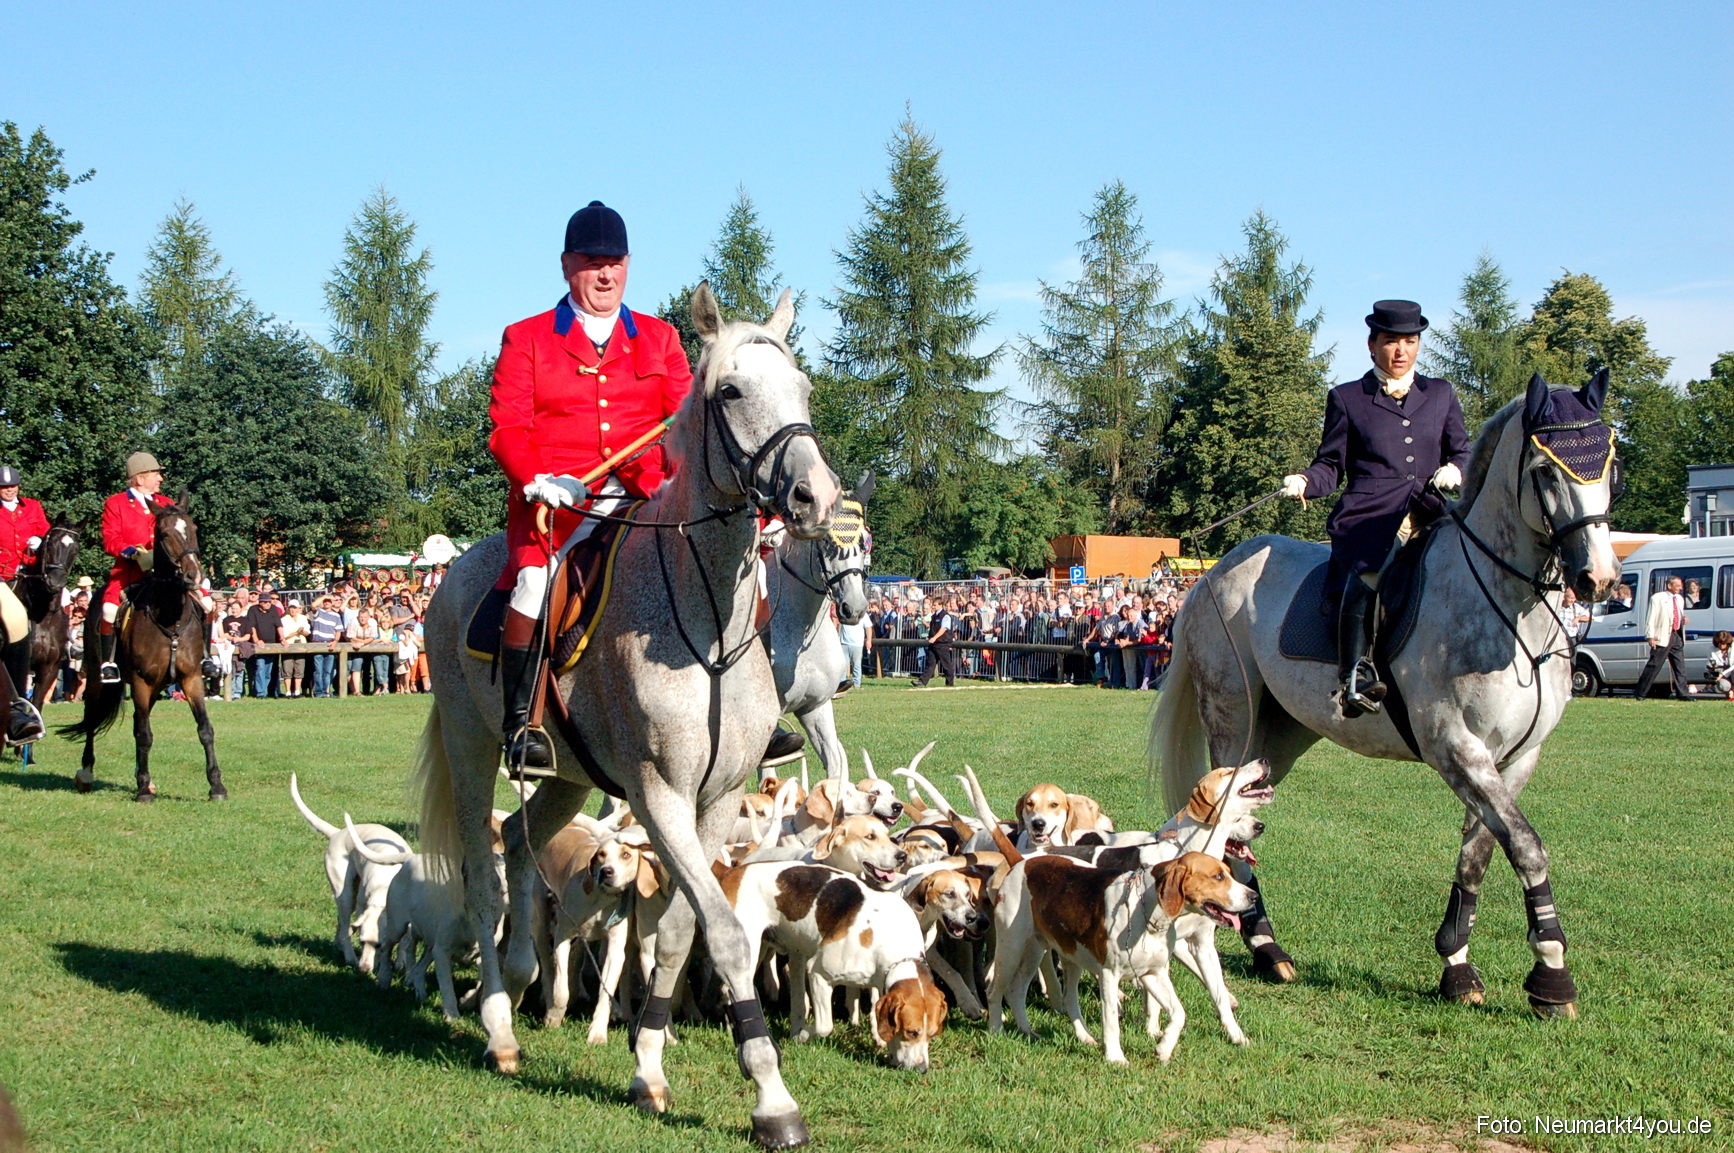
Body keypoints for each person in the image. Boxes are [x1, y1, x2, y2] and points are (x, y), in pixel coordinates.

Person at [488, 201, 692, 769]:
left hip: (643, 495)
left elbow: (685, 422)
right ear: (566, 265)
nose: (605, 274)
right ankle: (522, 727)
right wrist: (538, 480)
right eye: (591, 261)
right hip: (558, 506)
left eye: (615, 262)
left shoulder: (660, 338)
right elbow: (507, 428)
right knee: (533, 583)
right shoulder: (525, 338)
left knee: (716, 558)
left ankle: (755, 707)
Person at [1283, 300, 1470, 717]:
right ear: (1372, 345)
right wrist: (1305, 482)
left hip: (1431, 511)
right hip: (1370, 516)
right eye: (1391, 341)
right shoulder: (1347, 398)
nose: (1401, 350)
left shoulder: (1440, 394)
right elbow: (1331, 466)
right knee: (1371, 568)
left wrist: (1457, 469)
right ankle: (1355, 674)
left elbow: (1464, 450)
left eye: (1410, 341)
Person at [96, 452, 177, 687]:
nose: (160, 479)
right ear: (140, 478)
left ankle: (204, 657)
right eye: (155, 474)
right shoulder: (116, 503)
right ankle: (108, 662)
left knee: (204, 599)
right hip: (131, 571)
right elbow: (110, 538)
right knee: (110, 609)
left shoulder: (166, 503)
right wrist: (128, 550)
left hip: (166, 572)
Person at [0, 464, 49, 743]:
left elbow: (47, 533)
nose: (9, 490)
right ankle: (17, 703)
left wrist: (40, 540)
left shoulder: (32, 507)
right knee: (17, 618)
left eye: (13, 486)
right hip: (2, 578)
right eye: (4, 487)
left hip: (30, 575)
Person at [1633, 576, 1690, 700]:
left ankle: (1683, 694)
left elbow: (1677, 614)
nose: (1680, 588)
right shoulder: (1657, 598)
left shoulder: (1679, 599)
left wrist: (1682, 620)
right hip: (1662, 636)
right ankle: (1640, 693)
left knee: (1680, 667)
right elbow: (1651, 617)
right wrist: (1650, 636)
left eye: (1681, 586)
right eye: (1677, 586)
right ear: (1669, 586)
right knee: (1654, 665)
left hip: (1676, 635)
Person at [245, 590, 283, 699]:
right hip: (260, 645)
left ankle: (264, 691)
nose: (268, 604)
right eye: (265, 602)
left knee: (268, 669)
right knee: (260, 667)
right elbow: (252, 626)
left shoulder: (274, 610)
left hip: (271, 644)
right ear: (260, 602)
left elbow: (279, 625)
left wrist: (282, 638)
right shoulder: (253, 610)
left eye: (269, 602)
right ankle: (260, 692)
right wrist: (257, 640)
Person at [913, 597, 957, 688]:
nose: (933, 607)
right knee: (930, 664)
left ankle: (950, 683)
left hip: (942, 644)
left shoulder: (945, 616)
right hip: (934, 644)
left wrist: (934, 638)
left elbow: (944, 628)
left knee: (946, 665)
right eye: (933, 605)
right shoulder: (934, 616)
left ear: (940, 605)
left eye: (935, 605)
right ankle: (922, 682)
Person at [309, 594, 345, 698]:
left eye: (329, 601)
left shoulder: (336, 615)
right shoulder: (319, 612)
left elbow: (338, 631)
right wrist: (325, 596)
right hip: (318, 644)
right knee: (318, 670)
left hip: (329, 644)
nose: (327, 602)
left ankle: (326, 691)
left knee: (328, 671)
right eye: (325, 601)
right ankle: (319, 692)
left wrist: (335, 641)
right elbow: (313, 605)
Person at [1707, 631, 1733, 699]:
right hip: (1721, 673)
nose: (1721, 646)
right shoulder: (1712, 649)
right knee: (1723, 686)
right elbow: (1709, 663)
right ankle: (1729, 691)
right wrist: (1711, 670)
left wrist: (1722, 674)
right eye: (1719, 643)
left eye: (1724, 643)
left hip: (1730, 672)